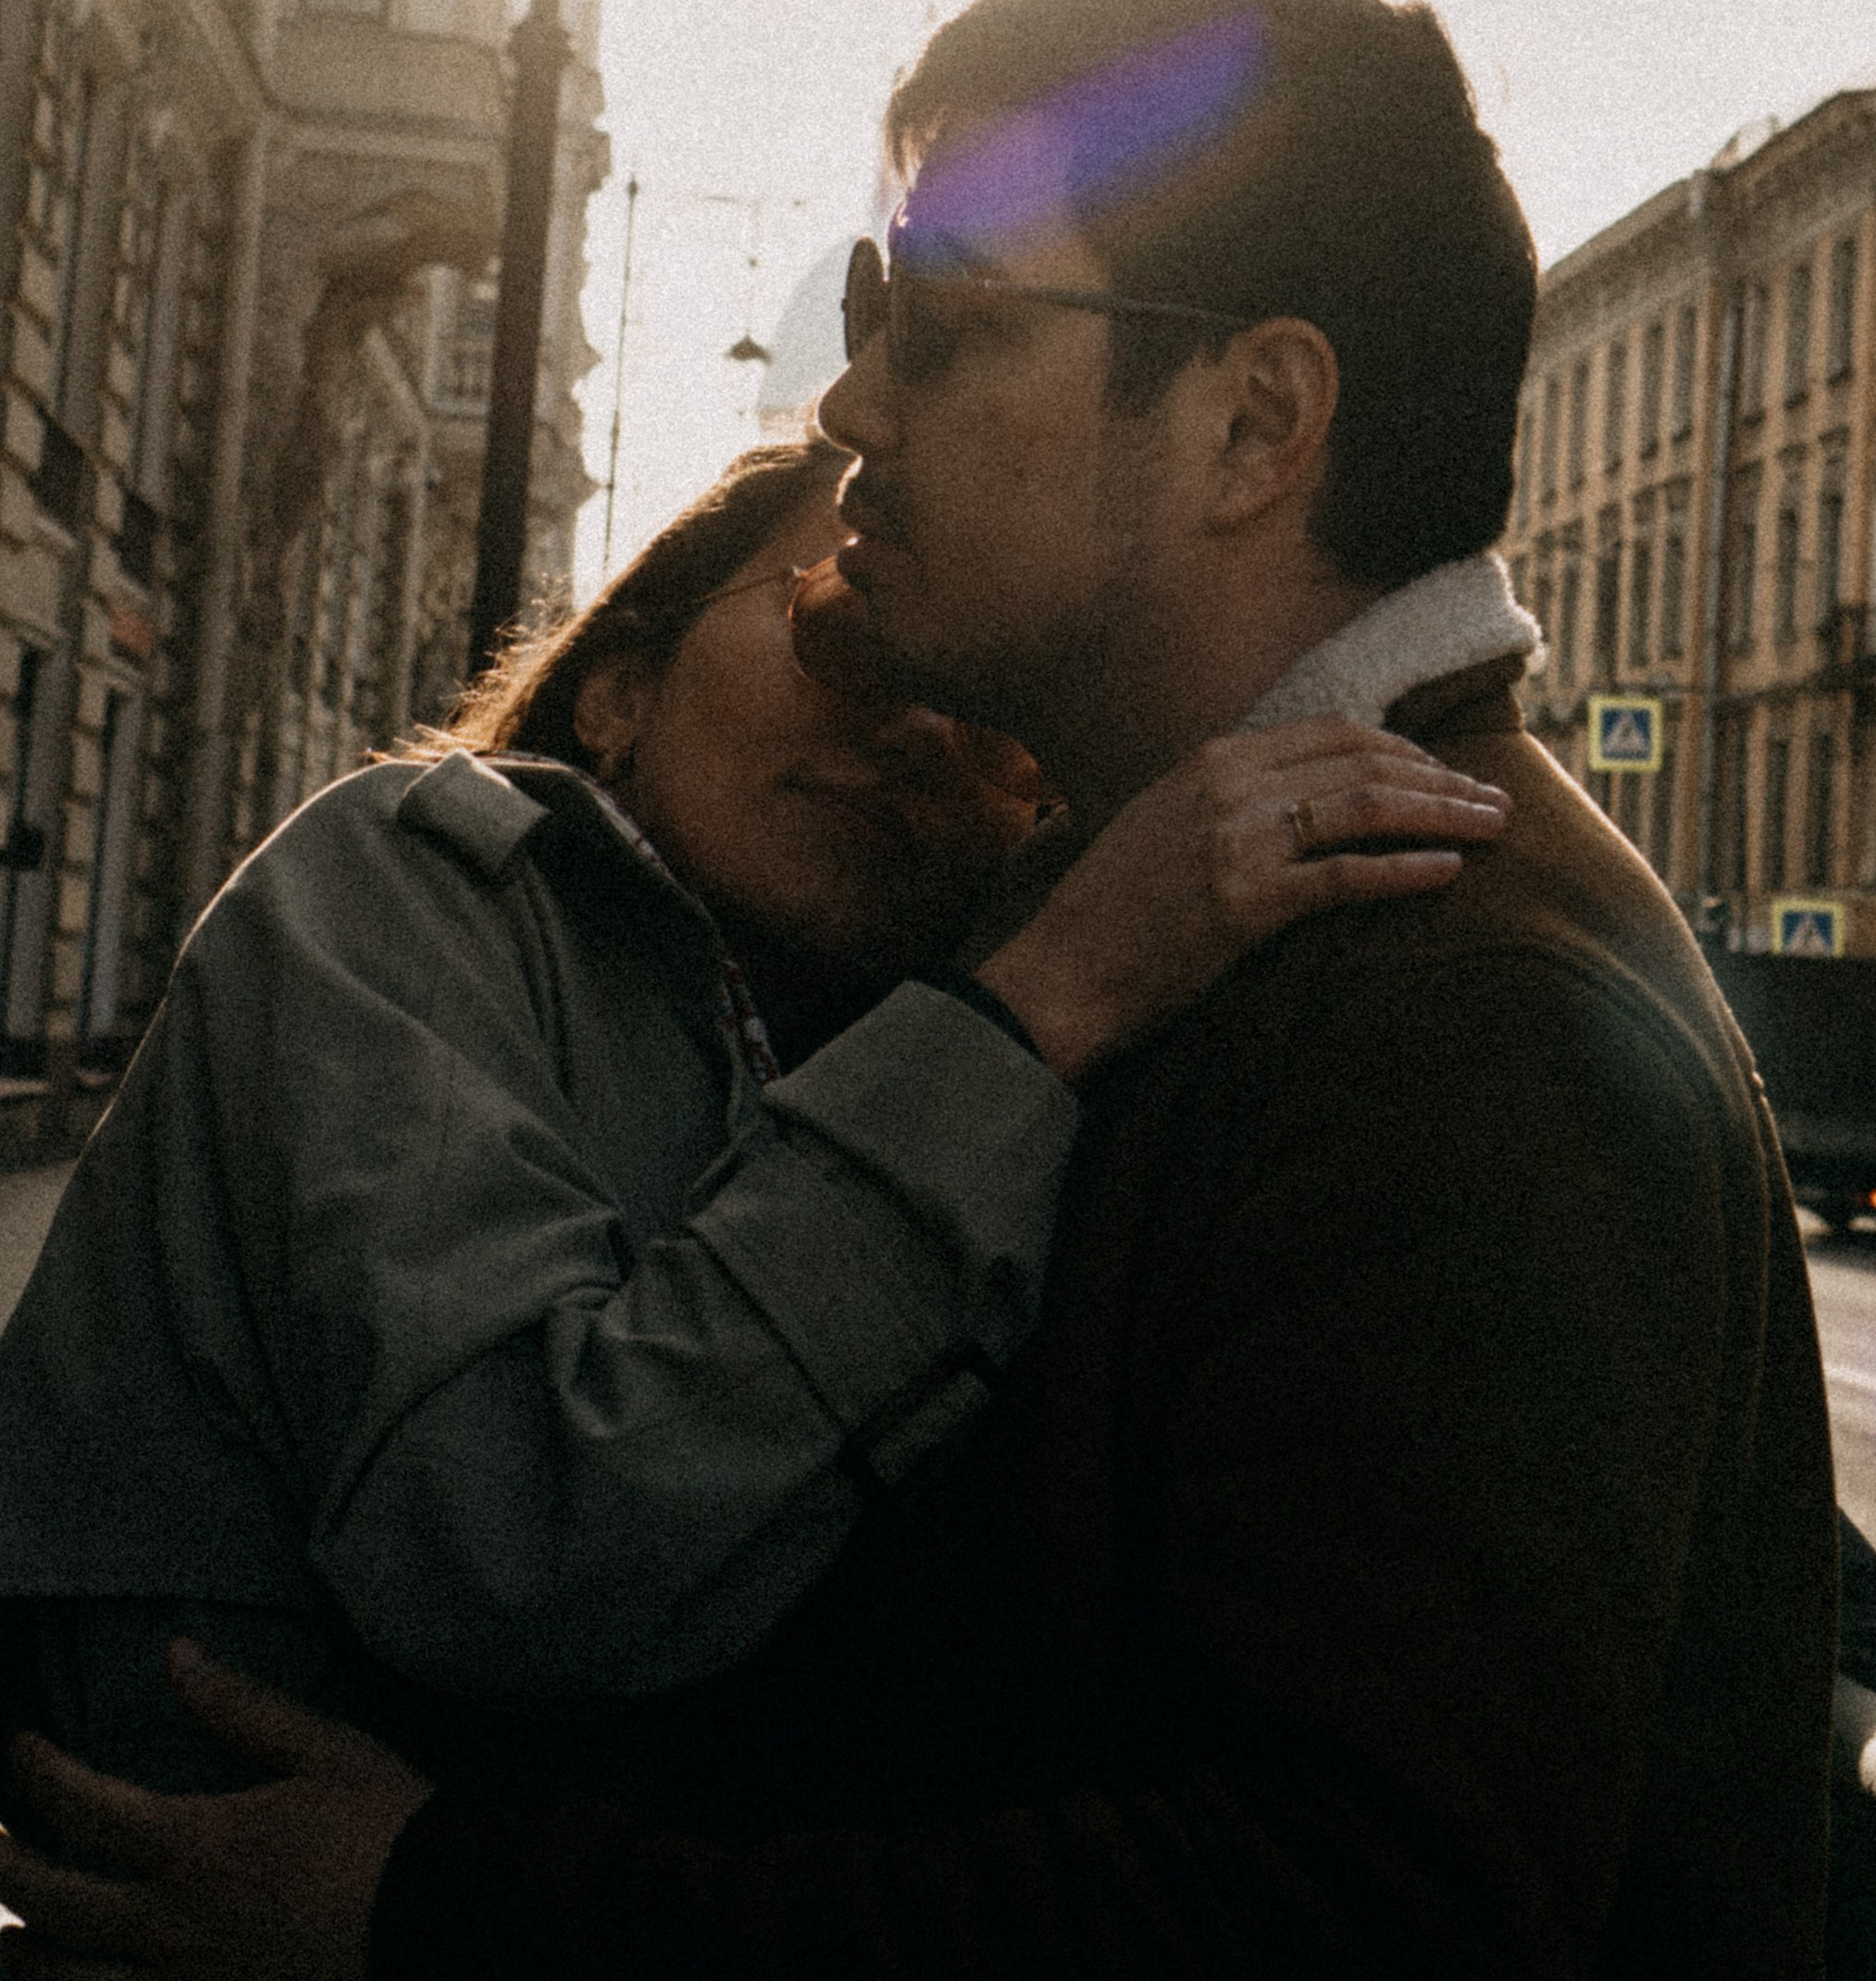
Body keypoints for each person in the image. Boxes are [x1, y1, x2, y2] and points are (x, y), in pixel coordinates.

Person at [0, 0, 1836, 1981]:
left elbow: (1340, 1913)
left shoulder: (1458, 1004)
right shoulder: (1186, 925)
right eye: (869, 317)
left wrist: (453, 1904)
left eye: (943, 325)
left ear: (1250, 422)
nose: (851, 401)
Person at [0, 430, 1501, 1804]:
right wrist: (1030, 1006)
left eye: (986, 714)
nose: (917, 728)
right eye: (836, 629)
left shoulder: (1000, 1047)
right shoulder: (411, 884)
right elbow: (516, 1545)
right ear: (619, 685)